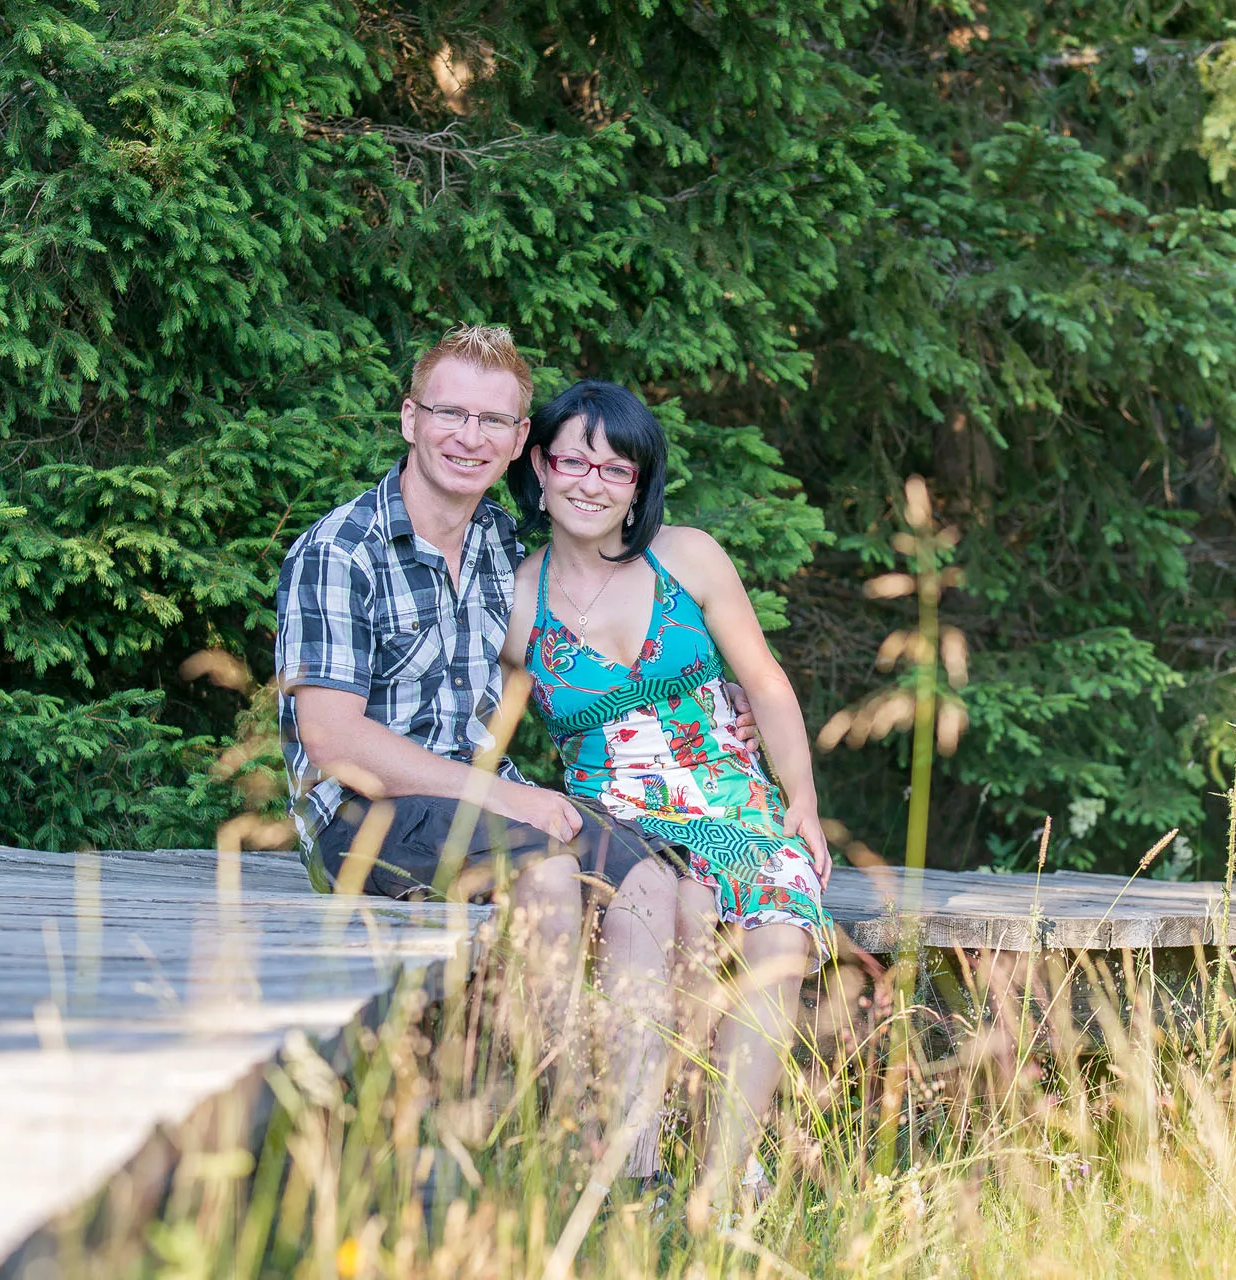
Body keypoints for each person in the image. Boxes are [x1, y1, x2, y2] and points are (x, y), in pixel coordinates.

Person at [272, 326, 759, 1166]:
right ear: (408, 419)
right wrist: (499, 793)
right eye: (450, 412)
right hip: (363, 815)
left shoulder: (504, 546)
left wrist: (718, 690)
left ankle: (634, 1163)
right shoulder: (341, 551)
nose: (470, 436)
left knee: (653, 879)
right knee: (547, 868)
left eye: (494, 421)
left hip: (482, 798)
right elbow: (332, 740)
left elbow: (619, 612)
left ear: (517, 446)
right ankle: (561, 1148)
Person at [501, 379, 836, 1225]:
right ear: (539, 467)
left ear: (639, 485)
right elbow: (484, 736)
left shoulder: (685, 555)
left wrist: (801, 800)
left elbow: (763, 678)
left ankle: (728, 1179)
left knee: (781, 932)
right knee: (678, 910)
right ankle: (638, 1175)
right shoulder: (514, 599)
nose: (591, 482)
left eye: (616, 469)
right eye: (573, 460)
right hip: (616, 817)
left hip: (733, 798)